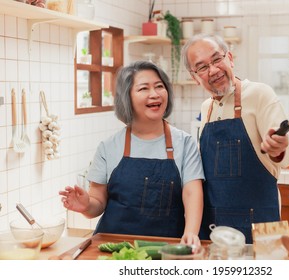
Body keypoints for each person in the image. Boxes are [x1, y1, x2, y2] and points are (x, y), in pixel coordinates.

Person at [59, 61, 204, 246]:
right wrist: (86, 205)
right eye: (144, 88)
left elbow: (192, 193)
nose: (154, 94)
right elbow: (98, 202)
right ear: (127, 98)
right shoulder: (109, 146)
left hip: (168, 247)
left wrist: (191, 233)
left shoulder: (185, 143)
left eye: (159, 86)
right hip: (115, 248)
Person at [181, 34, 289, 243]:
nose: (214, 70)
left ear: (230, 59)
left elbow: (288, 149)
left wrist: (279, 147)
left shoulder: (260, 94)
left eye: (217, 59)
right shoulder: (206, 108)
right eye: (202, 67)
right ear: (195, 77)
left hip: (263, 229)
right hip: (214, 229)